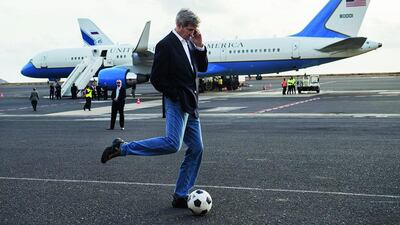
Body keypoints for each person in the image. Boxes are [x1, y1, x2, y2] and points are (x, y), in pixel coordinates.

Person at [101, 8, 208, 209]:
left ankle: (181, 194)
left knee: (197, 148)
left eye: (194, 30)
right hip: (177, 102)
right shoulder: (165, 45)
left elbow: (201, 68)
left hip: (191, 103)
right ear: (179, 25)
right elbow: (157, 79)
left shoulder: (190, 43)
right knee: (172, 144)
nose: (192, 33)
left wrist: (200, 46)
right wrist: (175, 95)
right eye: (190, 30)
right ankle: (122, 148)